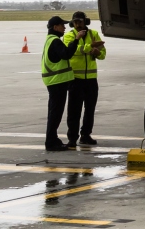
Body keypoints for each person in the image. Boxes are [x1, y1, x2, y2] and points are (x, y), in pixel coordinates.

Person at [64, 11, 106, 147]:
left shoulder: (94, 34)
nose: (77, 24)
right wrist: (90, 47)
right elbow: (74, 50)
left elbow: (103, 53)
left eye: (80, 22)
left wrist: (98, 52)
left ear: (85, 22)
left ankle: (86, 135)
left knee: (90, 109)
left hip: (91, 79)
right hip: (76, 79)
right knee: (74, 110)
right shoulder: (69, 36)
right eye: (75, 22)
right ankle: (72, 138)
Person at [42, 15, 82, 151]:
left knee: (54, 113)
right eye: (62, 25)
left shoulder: (50, 40)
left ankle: (52, 139)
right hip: (57, 82)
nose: (65, 28)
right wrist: (76, 40)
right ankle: (51, 142)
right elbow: (66, 54)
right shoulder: (55, 41)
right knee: (55, 113)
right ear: (55, 27)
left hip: (54, 82)